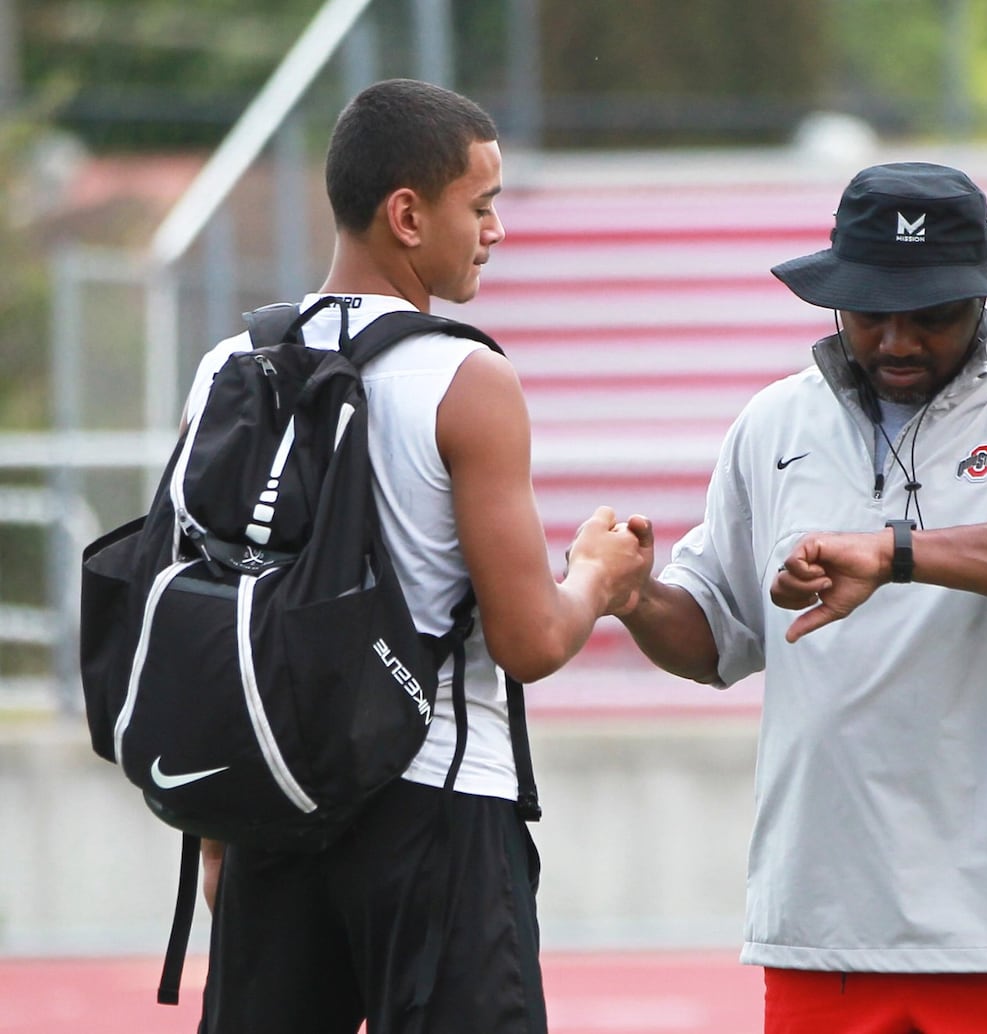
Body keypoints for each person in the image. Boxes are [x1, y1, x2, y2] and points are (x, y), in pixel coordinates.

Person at [616, 162, 987, 1033]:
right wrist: (632, 598)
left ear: (983, 300)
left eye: (930, 314)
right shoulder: (772, 425)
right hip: (822, 931)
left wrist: (898, 553)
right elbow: (712, 639)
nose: (897, 341)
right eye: (869, 313)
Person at [186, 79, 650, 1034]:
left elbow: (212, 605)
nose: (495, 230)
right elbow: (528, 641)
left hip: (271, 802)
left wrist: (218, 820)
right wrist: (599, 576)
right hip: (438, 804)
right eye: (480, 206)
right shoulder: (465, 377)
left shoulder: (228, 366)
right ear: (407, 214)